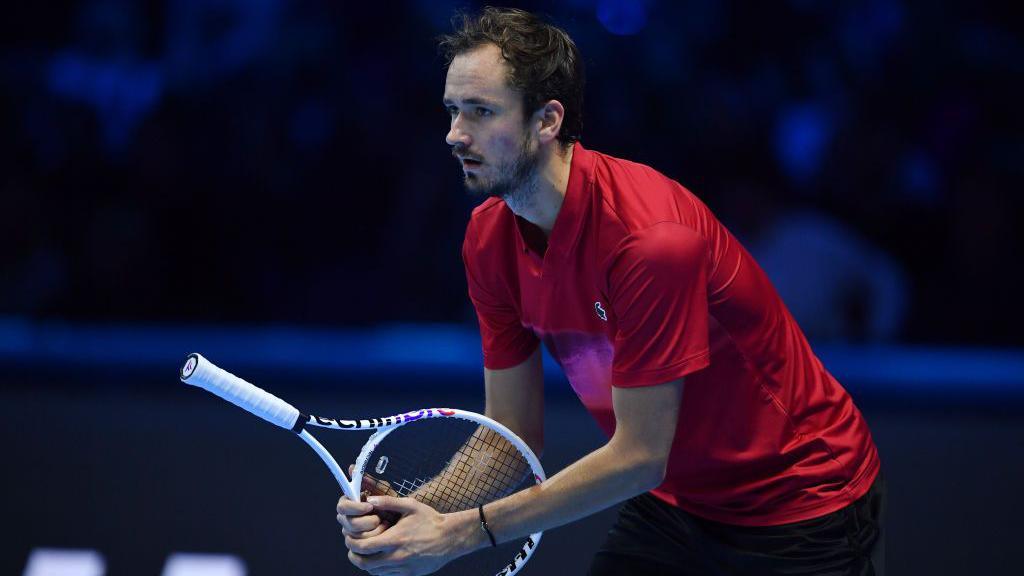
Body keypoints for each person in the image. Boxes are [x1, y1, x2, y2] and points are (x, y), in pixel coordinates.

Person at [336, 7, 885, 575]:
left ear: (546, 121)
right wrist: (421, 509)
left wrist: (456, 535)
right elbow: (511, 436)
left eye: (481, 111)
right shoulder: (487, 241)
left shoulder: (650, 242)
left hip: (802, 502)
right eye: (453, 111)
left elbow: (641, 456)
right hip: (678, 503)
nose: (455, 134)